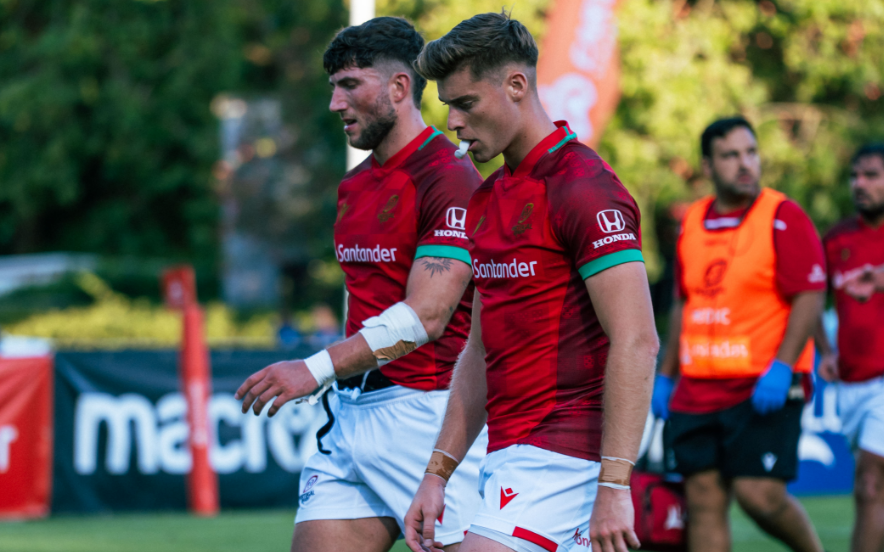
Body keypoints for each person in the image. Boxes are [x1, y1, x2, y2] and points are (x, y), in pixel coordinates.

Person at [403, 12, 659, 552]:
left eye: (466, 103)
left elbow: (637, 339)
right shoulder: (487, 198)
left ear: (516, 86)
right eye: (447, 104)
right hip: (508, 457)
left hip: (568, 460)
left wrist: (614, 485)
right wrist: (437, 473)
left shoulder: (584, 188)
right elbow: (478, 350)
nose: (452, 121)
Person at [235, 17, 486, 552]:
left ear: (399, 88)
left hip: (427, 418)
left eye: (350, 85)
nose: (335, 103)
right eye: (332, 88)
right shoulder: (354, 185)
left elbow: (426, 317)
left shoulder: (450, 177)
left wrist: (315, 368)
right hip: (351, 416)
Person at [652, 117, 826, 552]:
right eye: (731, 156)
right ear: (708, 166)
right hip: (696, 388)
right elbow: (682, 303)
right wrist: (666, 374)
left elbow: (809, 295)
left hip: (762, 384)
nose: (745, 164)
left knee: (758, 495)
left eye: (751, 152)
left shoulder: (782, 215)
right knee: (704, 500)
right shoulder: (691, 220)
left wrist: (783, 367)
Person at [816, 144, 884, 552]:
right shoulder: (837, 237)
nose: (860, 184)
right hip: (852, 385)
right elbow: (809, 297)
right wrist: (824, 350)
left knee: (869, 483)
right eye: (855, 175)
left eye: (872, 175)